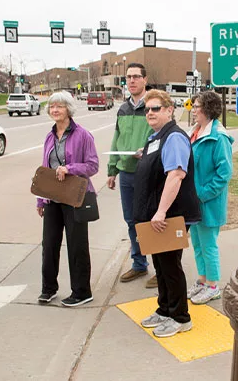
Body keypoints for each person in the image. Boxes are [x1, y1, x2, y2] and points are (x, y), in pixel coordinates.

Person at [134, 89, 201, 338]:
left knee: (170, 266)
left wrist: (161, 212)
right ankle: (165, 309)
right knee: (160, 266)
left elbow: (176, 175)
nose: (149, 113)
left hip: (170, 215)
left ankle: (181, 317)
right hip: (156, 215)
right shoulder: (156, 137)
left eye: (155, 108)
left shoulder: (173, 137)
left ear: (169, 110)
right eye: (147, 109)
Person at [36, 91, 99, 307]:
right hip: (53, 198)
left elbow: (93, 165)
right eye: (52, 106)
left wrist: (69, 168)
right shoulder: (49, 136)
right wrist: (40, 199)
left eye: (60, 106)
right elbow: (46, 169)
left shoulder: (83, 135)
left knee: (77, 245)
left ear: (69, 109)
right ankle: (48, 288)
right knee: (50, 244)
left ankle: (82, 292)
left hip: (75, 197)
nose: (55, 110)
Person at [106, 63, 157, 288]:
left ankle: (161, 268)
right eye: (129, 77)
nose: (132, 80)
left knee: (153, 222)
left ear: (145, 79)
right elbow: (116, 139)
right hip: (126, 174)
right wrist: (112, 170)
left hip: (149, 173)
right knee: (132, 221)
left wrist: (146, 151)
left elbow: (163, 135)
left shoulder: (154, 106)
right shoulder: (123, 109)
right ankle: (139, 264)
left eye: (137, 76)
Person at [186, 91, 233, 304]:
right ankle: (203, 281)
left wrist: (201, 195)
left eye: (196, 106)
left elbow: (224, 175)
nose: (193, 110)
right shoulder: (195, 132)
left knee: (208, 245)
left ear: (207, 109)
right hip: (193, 202)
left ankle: (213, 286)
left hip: (207, 203)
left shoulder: (219, 138)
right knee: (197, 243)